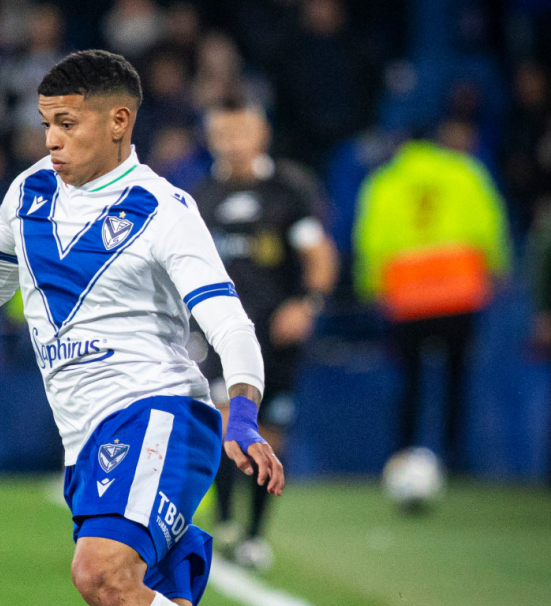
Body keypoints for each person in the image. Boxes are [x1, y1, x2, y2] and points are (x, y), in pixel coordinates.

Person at [0, 50, 283, 606]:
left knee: (100, 574)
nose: (51, 141)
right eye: (46, 124)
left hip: (155, 414)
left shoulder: (165, 210)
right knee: (128, 591)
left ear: (119, 121)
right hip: (83, 437)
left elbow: (229, 321)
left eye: (67, 124)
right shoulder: (30, 190)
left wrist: (244, 416)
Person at [193, 101, 337, 569]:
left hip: (274, 336)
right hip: (216, 333)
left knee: (269, 432)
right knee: (222, 420)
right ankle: (225, 519)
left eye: (241, 132)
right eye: (222, 134)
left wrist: (307, 304)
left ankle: (254, 534)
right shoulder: (200, 196)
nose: (232, 143)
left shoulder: (289, 189)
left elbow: (318, 254)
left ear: (262, 134)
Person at [353, 131, 511, 470]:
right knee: (457, 380)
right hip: (459, 294)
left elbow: (371, 242)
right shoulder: (465, 172)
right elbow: (489, 227)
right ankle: (454, 458)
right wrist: (497, 271)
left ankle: (403, 454)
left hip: (407, 297)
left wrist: (371, 289)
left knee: (409, 382)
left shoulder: (384, 181)